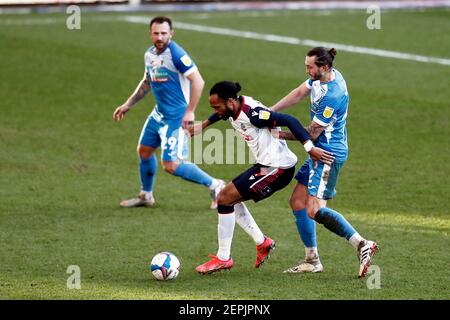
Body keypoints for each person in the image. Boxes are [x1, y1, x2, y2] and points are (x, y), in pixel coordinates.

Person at [190, 81, 335, 275]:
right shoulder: (232, 109)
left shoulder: (253, 115)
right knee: (226, 197)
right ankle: (262, 243)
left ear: (230, 102)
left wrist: (310, 148)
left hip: (277, 168)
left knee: (224, 198)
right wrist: (204, 125)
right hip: (266, 165)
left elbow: (290, 120)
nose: (216, 111)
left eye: (217, 106)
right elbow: (220, 114)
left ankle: (224, 258)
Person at [271, 47, 378, 278]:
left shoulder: (334, 94)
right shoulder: (321, 77)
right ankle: (312, 260)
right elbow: (300, 92)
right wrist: (272, 112)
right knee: (298, 202)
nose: (307, 70)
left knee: (314, 209)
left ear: (324, 67)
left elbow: (311, 133)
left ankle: (362, 244)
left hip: (327, 154)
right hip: (317, 152)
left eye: (310, 66)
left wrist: (278, 134)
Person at [113, 16, 224, 209]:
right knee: (144, 151)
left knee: (171, 165)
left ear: (171, 34)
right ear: (150, 34)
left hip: (176, 118)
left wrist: (190, 112)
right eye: (156, 33)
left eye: (164, 33)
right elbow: (147, 81)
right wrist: (128, 104)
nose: (160, 37)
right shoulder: (150, 54)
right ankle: (146, 196)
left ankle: (216, 185)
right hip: (158, 115)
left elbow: (198, 81)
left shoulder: (177, 54)